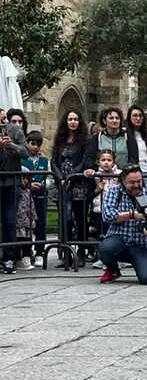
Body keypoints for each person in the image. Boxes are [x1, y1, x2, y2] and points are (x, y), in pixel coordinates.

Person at [97, 165, 147, 285]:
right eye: (131, 182)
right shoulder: (114, 192)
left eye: (139, 181)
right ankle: (112, 269)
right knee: (106, 248)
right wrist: (131, 215)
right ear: (122, 182)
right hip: (119, 239)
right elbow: (107, 215)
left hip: (142, 244)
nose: (136, 185)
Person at [51, 110, 95, 269]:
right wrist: (61, 178)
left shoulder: (86, 140)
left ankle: (82, 252)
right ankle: (66, 254)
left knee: (80, 219)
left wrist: (73, 177)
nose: (73, 122)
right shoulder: (60, 140)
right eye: (70, 119)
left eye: (76, 119)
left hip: (78, 185)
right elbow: (54, 161)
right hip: (62, 185)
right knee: (65, 220)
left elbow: (85, 161)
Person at [0, 109, 28, 273]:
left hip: (11, 181)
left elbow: (25, 152)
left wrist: (10, 144)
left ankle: (9, 258)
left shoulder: (15, 131)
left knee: (9, 220)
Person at [21, 130, 49, 268]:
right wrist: (28, 185)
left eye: (38, 144)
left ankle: (39, 252)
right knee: (26, 225)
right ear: (27, 143)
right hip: (26, 197)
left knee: (40, 224)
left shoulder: (44, 160)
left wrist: (45, 184)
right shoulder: (23, 159)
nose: (35, 147)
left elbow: (49, 176)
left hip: (40, 196)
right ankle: (26, 253)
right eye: (32, 144)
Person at [90, 149, 121, 246]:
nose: (106, 162)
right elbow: (91, 194)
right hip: (99, 208)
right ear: (98, 162)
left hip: (115, 209)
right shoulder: (95, 175)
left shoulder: (120, 174)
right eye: (103, 160)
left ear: (114, 162)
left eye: (109, 160)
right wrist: (98, 189)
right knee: (100, 233)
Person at [125, 105, 147, 184]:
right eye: (135, 116)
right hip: (132, 172)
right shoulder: (124, 132)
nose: (138, 118)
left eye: (140, 116)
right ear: (129, 117)